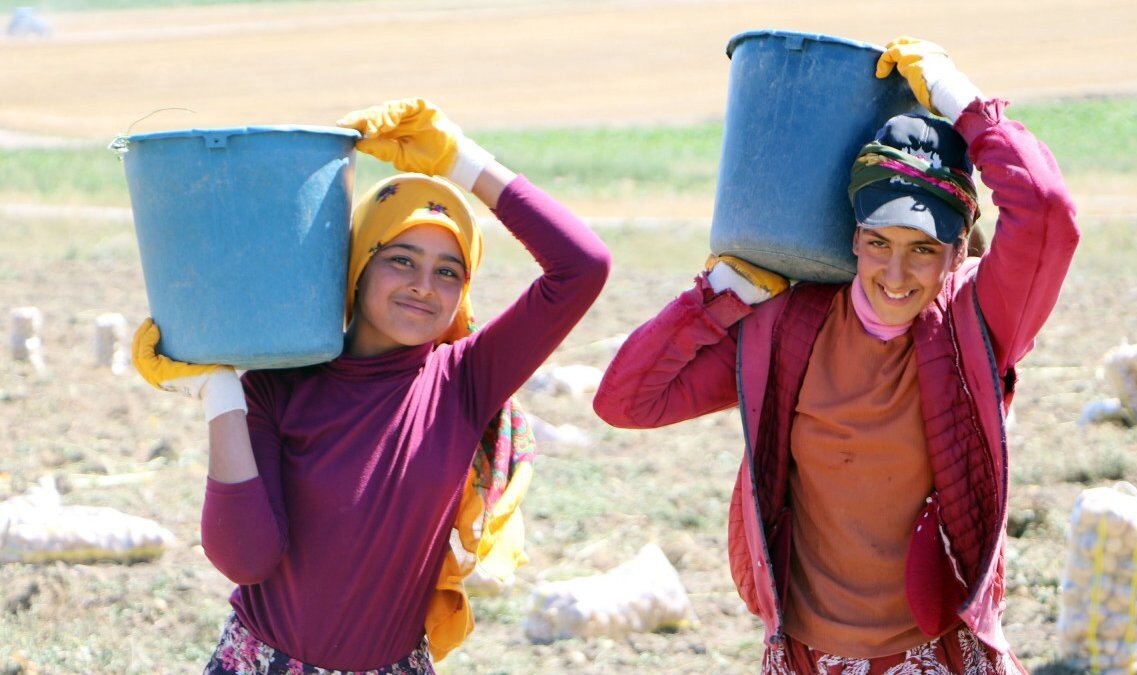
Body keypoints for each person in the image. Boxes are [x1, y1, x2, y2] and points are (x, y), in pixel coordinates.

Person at [593, 37, 1079, 674]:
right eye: (879, 242)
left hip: (935, 653)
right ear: (853, 237)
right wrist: (715, 296)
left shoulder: (974, 325)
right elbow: (627, 402)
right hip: (806, 655)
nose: (896, 274)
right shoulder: (788, 328)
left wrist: (962, 102)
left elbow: (1046, 210)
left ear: (959, 250)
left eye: (923, 250)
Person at [131, 98, 611, 673]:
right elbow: (246, 558)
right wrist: (219, 394)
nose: (424, 286)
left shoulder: (464, 380)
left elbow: (584, 266)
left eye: (448, 271)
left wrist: (460, 161)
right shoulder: (280, 386)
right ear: (358, 266)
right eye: (401, 260)